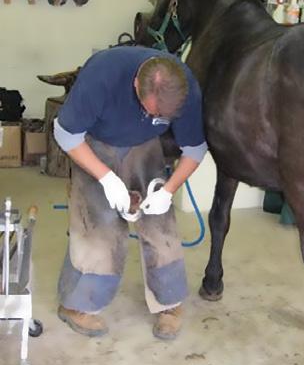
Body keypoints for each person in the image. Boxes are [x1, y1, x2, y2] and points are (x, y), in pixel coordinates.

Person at [53, 46, 207, 340]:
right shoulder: (102, 74)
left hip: (146, 145)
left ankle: (169, 302)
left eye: (159, 116)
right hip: (95, 143)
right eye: (150, 110)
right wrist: (107, 178)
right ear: (136, 84)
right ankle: (78, 305)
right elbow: (65, 133)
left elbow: (195, 149)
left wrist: (169, 190)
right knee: (99, 225)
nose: (153, 116)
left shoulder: (184, 87)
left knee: (161, 225)